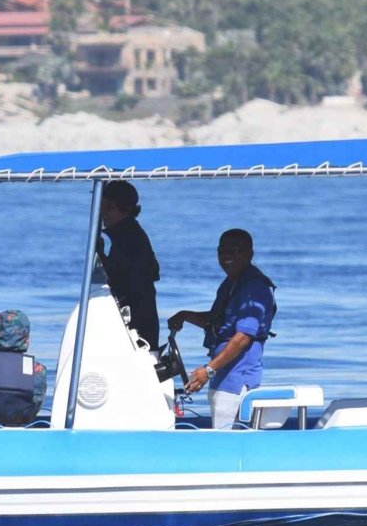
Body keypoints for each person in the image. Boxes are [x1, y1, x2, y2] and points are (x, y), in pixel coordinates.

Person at [167, 228, 277, 429]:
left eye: (235, 251)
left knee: (227, 437)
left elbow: (243, 337)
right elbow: (217, 321)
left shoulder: (254, 288)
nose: (227, 256)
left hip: (237, 380)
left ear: (249, 254)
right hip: (222, 377)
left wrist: (208, 371)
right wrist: (185, 315)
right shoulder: (231, 284)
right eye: (222, 250)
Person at [97, 179, 161, 350]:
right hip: (141, 319)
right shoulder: (127, 235)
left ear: (126, 209)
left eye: (109, 208)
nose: (103, 213)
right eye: (101, 207)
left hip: (138, 324)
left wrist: (101, 255)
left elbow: (121, 281)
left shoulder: (130, 239)